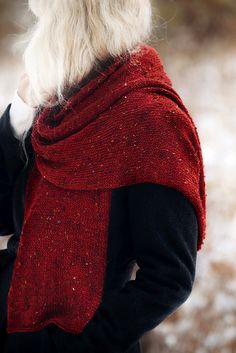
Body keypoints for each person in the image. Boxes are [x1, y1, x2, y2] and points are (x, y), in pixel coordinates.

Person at [0, 1, 206, 352]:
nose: (38, 35)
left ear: (74, 26)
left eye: (47, 20)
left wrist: (77, 344)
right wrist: (18, 118)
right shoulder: (53, 103)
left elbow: (168, 279)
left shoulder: (151, 122)